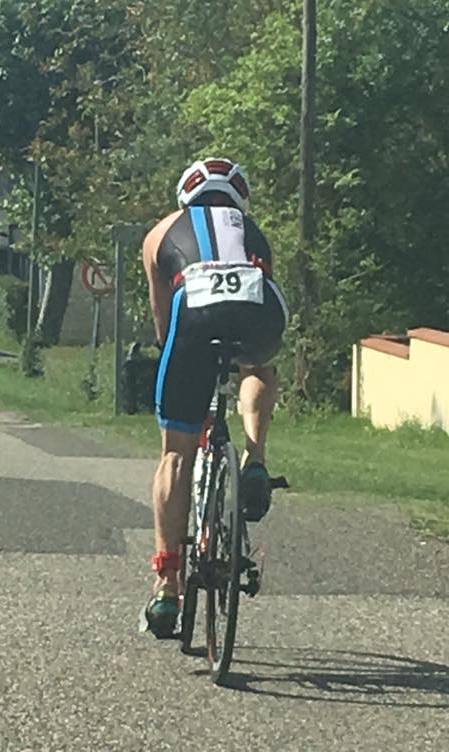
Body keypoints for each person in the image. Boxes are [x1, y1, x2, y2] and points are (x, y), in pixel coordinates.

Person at [141, 157, 288, 637]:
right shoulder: (253, 230)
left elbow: (164, 324)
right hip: (259, 310)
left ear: (186, 195)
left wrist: (183, 367)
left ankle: (167, 586)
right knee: (258, 368)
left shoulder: (160, 233)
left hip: (193, 310)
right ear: (239, 198)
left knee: (175, 455)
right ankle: (255, 457)